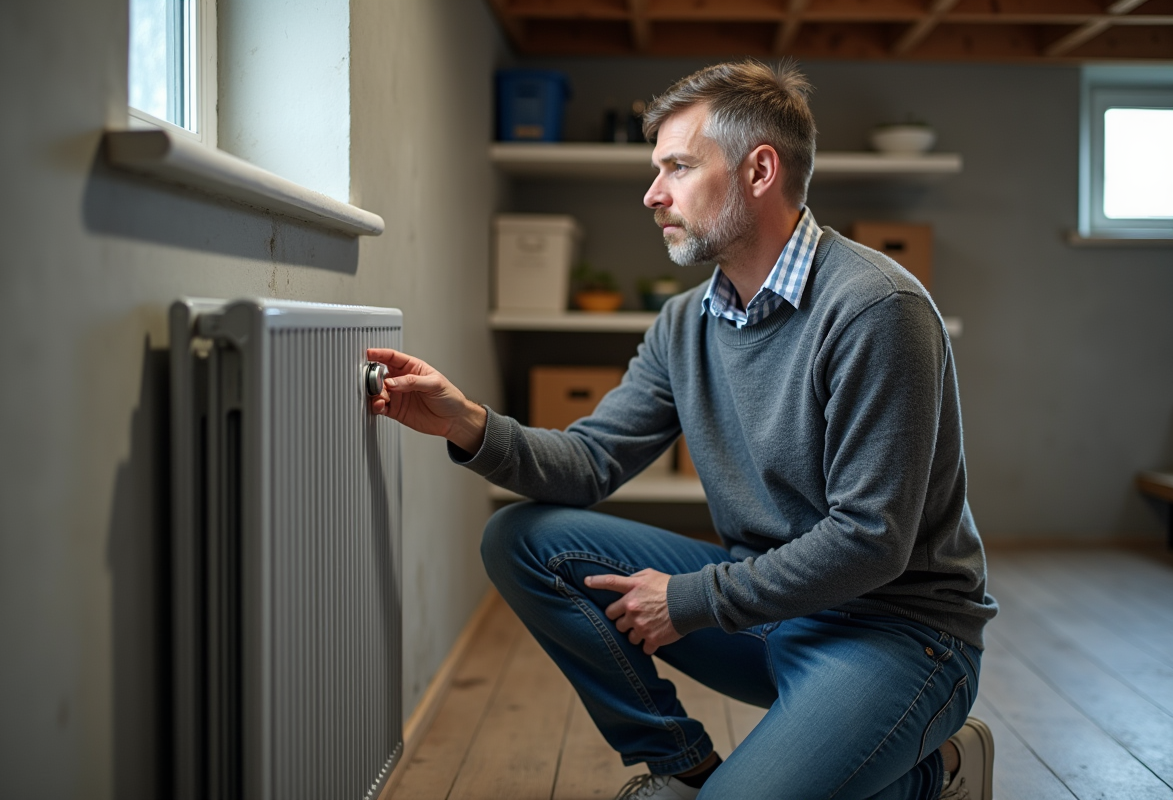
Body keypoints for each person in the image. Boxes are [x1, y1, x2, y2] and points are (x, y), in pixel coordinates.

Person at [367, 60, 997, 800]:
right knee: (522, 540)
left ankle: (939, 770)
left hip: (899, 636)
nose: (652, 193)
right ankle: (685, 770)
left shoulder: (875, 309)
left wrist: (691, 599)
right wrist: (469, 423)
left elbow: (870, 540)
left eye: (678, 166)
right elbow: (591, 460)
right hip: (769, 615)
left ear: (759, 171)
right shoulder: (685, 321)